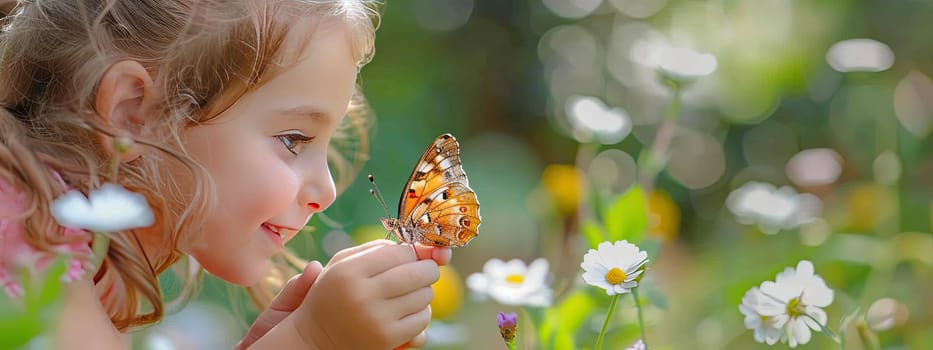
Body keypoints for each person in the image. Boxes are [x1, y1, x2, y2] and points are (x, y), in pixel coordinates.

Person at [0, 0, 450, 349]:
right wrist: (311, 341)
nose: (326, 191)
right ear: (132, 113)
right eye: (293, 140)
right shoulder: (26, 245)